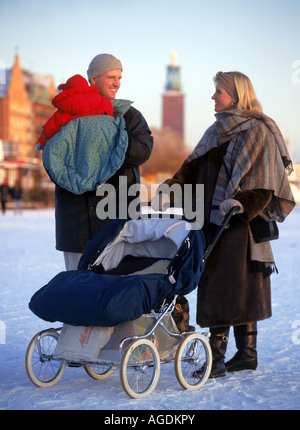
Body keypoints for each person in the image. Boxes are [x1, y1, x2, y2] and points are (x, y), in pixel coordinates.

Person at [152, 71, 295, 378]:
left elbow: (265, 182)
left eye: (218, 91)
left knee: (227, 288)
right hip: (208, 220)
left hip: (239, 224)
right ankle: (245, 355)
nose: (213, 96)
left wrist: (243, 203)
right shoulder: (214, 132)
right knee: (234, 288)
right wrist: (170, 188)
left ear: (236, 95)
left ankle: (220, 359)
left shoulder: (258, 131)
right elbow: (191, 168)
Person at [55, 54, 153, 270]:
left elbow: (143, 150)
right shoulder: (67, 114)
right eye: (111, 77)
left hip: (116, 220)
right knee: (77, 287)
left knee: (113, 291)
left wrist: (106, 141)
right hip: (76, 222)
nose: (117, 83)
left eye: (119, 77)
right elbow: (54, 159)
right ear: (93, 79)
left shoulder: (129, 115)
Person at [37, 74, 113, 148]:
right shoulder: (103, 102)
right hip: (98, 144)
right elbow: (109, 117)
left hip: (72, 148)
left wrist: (41, 143)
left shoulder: (62, 112)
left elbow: (49, 130)